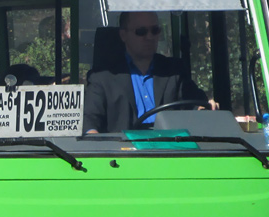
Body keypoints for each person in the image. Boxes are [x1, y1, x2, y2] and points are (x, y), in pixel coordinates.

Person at [84, 11, 213, 133]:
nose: (150, 37)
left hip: (170, 148)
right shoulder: (102, 77)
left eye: (155, 30)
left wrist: (206, 107)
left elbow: (195, 104)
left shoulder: (174, 71)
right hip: (124, 152)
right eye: (141, 32)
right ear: (123, 35)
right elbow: (89, 119)